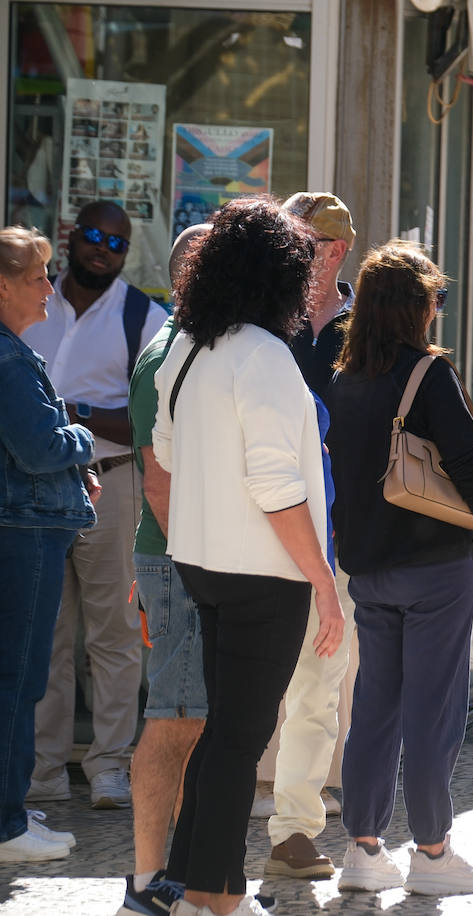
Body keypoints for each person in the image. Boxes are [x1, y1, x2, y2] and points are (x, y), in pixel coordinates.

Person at [152, 196, 344, 916]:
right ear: (281, 277)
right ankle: (216, 898)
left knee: (226, 732)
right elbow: (275, 486)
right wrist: (323, 582)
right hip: (262, 573)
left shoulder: (188, 346)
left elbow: (164, 456)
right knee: (239, 738)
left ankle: (192, 890)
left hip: (206, 563)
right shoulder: (262, 356)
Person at [325, 241, 473, 895]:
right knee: (432, 712)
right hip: (435, 567)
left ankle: (362, 848)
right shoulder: (428, 374)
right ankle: (431, 854)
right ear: (414, 306)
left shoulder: (344, 381)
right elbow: (472, 466)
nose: (439, 308)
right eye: (436, 297)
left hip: (369, 569)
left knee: (374, 707)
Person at [23, 201, 165, 809]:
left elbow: (150, 421)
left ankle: (109, 766)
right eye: (92, 236)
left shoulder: (143, 316)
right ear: (70, 238)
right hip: (32, 489)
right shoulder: (32, 303)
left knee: (111, 635)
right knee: (46, 635)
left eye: (115, 241)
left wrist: (75, 413)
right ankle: (43, 771)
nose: (101, 248)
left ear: (124, 254)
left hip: (111, 483)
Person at [258, 190, 358, 879]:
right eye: (291, 243)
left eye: (311, 245)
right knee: (245, 683)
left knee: (319, 686)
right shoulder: (259, 322)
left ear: (339, 250)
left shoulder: (372, 327)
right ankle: (207, 814)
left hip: (339, 534)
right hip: (261, 527)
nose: (299, 257)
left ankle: (294, 825)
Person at [121, 223, 213, 915]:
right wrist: (199, 569)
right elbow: (159, 483)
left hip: (180, 561)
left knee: (192, 719)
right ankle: (149, 883)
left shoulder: (192, 348)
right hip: (182, 562)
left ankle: (178, 874)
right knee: (174, 720)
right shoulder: (165, 358)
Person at [0, 226, 94, 862]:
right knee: (19, 678)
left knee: (20, 675)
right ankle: (7, 826)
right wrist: (81, 439)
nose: (48, 290)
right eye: (36, 278)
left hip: (27, 528)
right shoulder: (7, 359)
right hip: (24, 534)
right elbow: (40, 448)